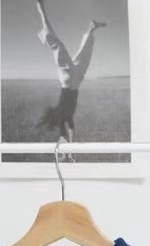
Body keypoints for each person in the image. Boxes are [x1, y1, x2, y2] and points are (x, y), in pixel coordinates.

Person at [36, 1, 107, 144]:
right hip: (68, 79)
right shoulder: (61, 115)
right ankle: (90, 28)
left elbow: (70, 127)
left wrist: (70, 145)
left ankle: (91, 28)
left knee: (83, 55)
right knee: (61, 47)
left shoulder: (67, 115)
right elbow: (67, 129)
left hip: (76, 79)